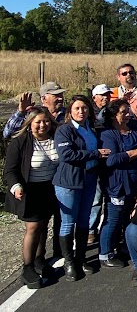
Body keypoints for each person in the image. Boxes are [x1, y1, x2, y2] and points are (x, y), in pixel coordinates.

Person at [53, 95, 111, 281]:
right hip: (69, 181)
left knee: (84, 219)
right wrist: (94, 154)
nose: (81, 111)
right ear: (70, 111)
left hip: (89, 178)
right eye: (77, 108)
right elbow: (67, 154)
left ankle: (81, 258)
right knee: (68, 221)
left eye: (84, 108)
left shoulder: (90, 128)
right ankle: (69, 262)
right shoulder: (64, 130)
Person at [4, 107, 59, 289]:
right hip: (29, 190)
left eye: (46, 121)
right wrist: (15, 186)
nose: (43, 125)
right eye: (38, 122)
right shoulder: (21, 141)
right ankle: (27, 269)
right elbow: (10, 170)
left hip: (49, 188)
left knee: (44, 225)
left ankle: (39, 259)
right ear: (30, 124)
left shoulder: (55, 137)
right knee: (33, 227)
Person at [98, 100, 137, 268]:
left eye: (128, 111)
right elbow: (111, 160)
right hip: (118, 184)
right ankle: (105, 253)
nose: (128, 114)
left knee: (128, 218)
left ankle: (124, 246)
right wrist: (136, 152)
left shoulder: (132, 132)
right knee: (113, 219)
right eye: (124, 112)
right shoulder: (108, 135)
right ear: (115, 115)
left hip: (134, 183)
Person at [88, 83, 113, 245]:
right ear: (94, 97)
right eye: (102, 95)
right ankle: (91, 229)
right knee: (96, 198)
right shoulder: (90, 114)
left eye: (108, 95)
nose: (106, 98)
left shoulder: (111, 112)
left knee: (110, 196)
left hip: (110, 159)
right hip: (95, 159)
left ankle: (109, 227)